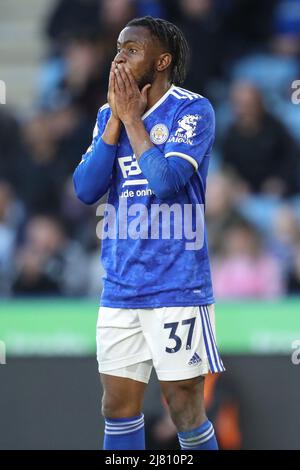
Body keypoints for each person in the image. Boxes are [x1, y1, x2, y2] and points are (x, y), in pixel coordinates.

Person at [73, 16, 225, 450]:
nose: (119, 56)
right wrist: (116, 122)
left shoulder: (192, 110)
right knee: (117, 408)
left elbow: (165, 181)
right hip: (120, 286)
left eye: (132, 49)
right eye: (119, 47)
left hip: (178, 286)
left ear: (162, 61)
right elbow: (85, 190)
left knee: (183, 408)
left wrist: (133, 120)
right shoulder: (108, 114)